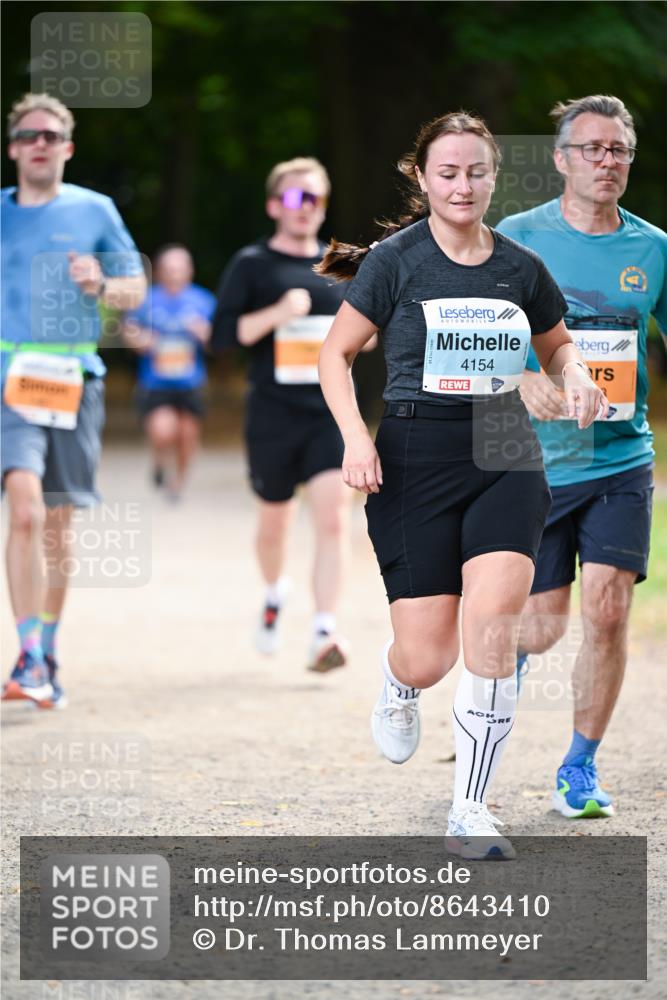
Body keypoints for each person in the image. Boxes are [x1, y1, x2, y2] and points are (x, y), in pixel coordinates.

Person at [317, 112, 606, 858]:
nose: (462, 185)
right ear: (422, 176)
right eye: (447, 172)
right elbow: (335, 355)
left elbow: (559, 346)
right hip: (414, 453)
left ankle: (470, 810)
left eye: (475, 171)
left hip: (503, 445)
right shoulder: (393, 261)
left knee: (491, 627)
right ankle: (397, 681)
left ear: (492, 176)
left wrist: (571, 378)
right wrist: (354, 437)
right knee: (428, 654)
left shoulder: (519, 267)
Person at [496, 95, 667, 818]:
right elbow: (471, 341)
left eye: (618, 149)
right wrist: (525, 376)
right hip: (532, 464)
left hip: (619, 459)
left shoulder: (652, 248)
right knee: (538, 626)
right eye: (592, 149)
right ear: (562, 159)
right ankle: (483, 728)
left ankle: (579, 768)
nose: (606, 161)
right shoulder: (514, 236)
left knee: (605, 608)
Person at [1, 93, 145, 708]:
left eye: (51, 135)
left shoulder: (96, 210)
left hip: (72, 379)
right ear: (13, 147)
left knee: (57, 526)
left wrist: (103, 285)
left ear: (67, 148)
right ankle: (27, 651)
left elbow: (135, 292)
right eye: (29, 134)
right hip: (10, 376)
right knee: (25, 509)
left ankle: (47, 652)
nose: (40, 142)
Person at [212, 157, 362, 672]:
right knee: (274, 523)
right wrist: (277, 314)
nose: (306, 208)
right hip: (272, 414)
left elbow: (366, 335)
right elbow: (223, 337)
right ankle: (275, 591)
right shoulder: (252, 264)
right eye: (296, 198)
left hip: (328, 413)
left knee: (334, 519)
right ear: (276, 205)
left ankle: (325, 630)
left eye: (315, 198)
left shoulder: (342, 264)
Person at [124, 244, 215, 501]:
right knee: (164, 431)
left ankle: (178, 482)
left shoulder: (203, 300)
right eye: (169, 269)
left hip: (191, 383)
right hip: (155, 383)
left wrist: (203, 333)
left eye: (180, 269)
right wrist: (141, 340)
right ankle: (159, 461)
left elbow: (217, 342)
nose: (174, 274)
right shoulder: (146, 299)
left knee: (187, 436)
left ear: (190, 271)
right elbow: (127, 330)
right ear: (160, 271)